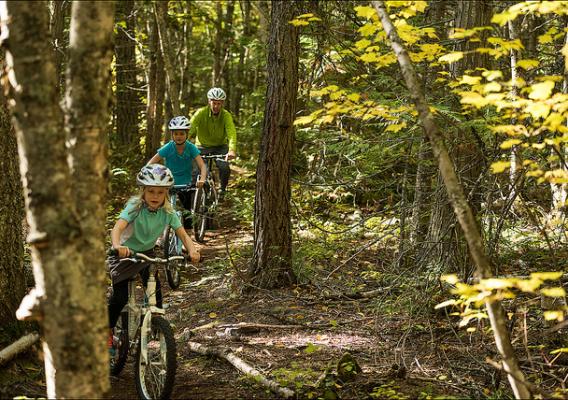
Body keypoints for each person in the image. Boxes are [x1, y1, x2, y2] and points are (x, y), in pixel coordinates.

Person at [107, 164, 200, 335]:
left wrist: (192, 250)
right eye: (151, 191)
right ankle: (108, 330)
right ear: (143, 190)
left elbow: (183, 235)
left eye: (160, 192)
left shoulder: (167, 212)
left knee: (155, 292)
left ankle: (157, 327)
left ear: (167, 192)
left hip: (146, 254)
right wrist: (117, 246)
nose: (155, 196)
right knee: (119, 298)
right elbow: (117, 228)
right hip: (124, 254)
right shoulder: (135, 207)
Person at [148, 115, 207, 228]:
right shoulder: (168, 147)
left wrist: (203, 179)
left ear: (186, 134)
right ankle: (162, 235)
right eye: (176, 134)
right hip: (169, 182)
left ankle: (187, 234)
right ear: (172, 135)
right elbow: (151, 162)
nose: (178, 136)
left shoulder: (191, 147)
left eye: (181, 133)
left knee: (187, 211)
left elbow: (202, 165)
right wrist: (147, 174)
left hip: (186, 183)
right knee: (161, 207)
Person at [189, 87, 237, 199]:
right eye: (214, 103)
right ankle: (192, 197)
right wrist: (181, 144)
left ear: (222, 104)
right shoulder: (200, 113)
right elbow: (189, 129)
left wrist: (232, 149)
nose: (216, 106)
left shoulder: (226, 115)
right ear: (209, 101)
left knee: (224, 167)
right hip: (202, 146)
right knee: (197, 171)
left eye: (219, 104)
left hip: (220, 147)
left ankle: (223, 189)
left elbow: (231, 133)